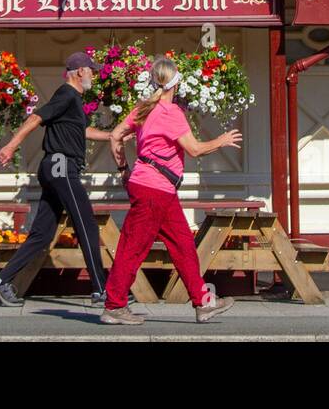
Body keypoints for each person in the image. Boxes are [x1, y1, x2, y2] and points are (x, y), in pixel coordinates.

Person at [100, 56, 243, 325]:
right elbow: (195, 149)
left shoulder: (143, 109)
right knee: (133, 248)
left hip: (156, 190)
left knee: (183, 245)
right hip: (155, 191)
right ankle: (114, 306)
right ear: (176, 82)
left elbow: (114, 136)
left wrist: (124, 170)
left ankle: (203, 302)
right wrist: (222, 140)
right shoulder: (172, 113)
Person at [0, 51, 115, 307]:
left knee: (42, 235)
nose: (94, 75)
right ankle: (101, 290)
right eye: (91, 70)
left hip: (55, 167)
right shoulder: (66, 94)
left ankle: (0, 281)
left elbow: (83, 130)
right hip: (60, 166)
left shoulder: (73, 100)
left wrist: (112, 136)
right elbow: (36, 117)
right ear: (80, 72)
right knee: (86, 223)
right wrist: (11, 146)